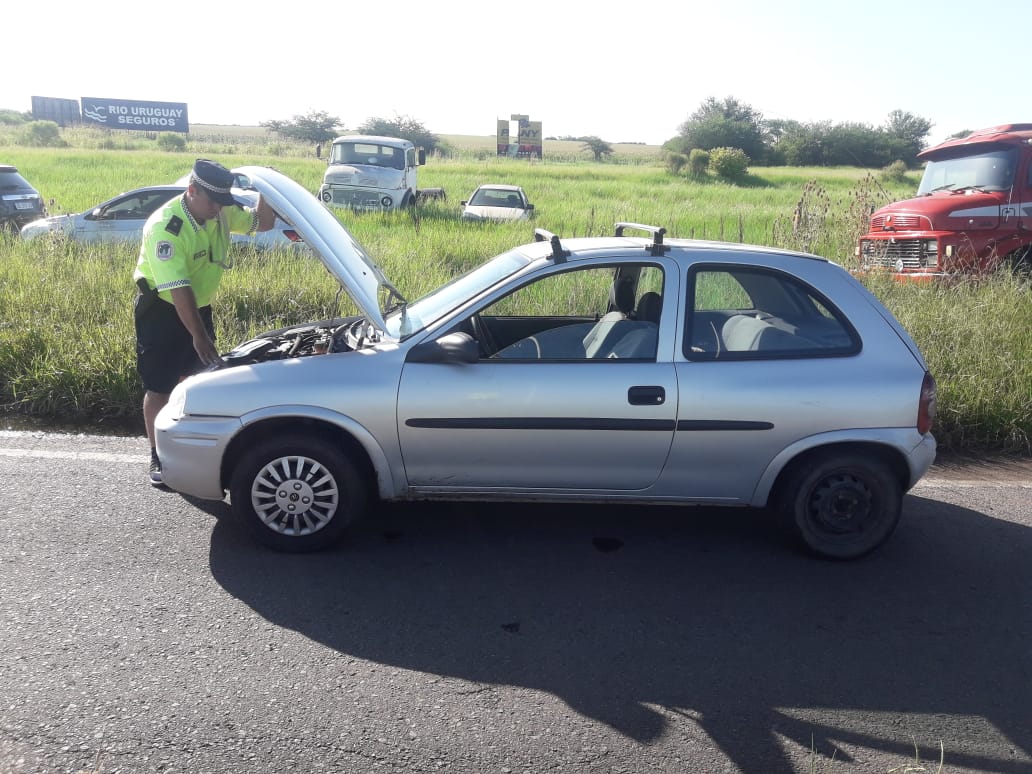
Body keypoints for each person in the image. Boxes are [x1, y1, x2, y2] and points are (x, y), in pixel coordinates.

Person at [133, 159, 275, 486]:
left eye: (222, 202)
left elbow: (264, 222)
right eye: (212, 202)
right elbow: (178, 289)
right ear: (192, 191)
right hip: (163, 310)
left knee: (195, 381)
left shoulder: (218, 211)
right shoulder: (166, 228)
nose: (217, 210)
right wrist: (199, 336)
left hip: (198, 307)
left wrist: (266, 189)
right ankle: (158, 454)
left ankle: (187, 449)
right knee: (160, 386)